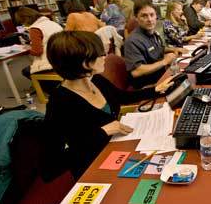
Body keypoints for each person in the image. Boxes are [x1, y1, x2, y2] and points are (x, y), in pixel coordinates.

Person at [43, 31, 174, 178]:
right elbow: (50, 166)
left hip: (116, 148)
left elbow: (121, 97)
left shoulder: (95, 79)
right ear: (84, 63)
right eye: (100, 54)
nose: (105, 57)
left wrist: (156, 90)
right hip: (95, 167)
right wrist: (103, 131)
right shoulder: (60, 103)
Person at [124, 0, 184, 89]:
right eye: (144, 16)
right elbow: (136, 71)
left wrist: (174, 49)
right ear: (136, 18)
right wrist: (164, 62)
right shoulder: (133, 41)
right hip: (150, 86)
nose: (149, 19)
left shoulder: (153, 33)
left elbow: (158, 49)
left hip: (163, 76)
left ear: (156, 16)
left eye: (152, 15)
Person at [16, 7, 63, 80]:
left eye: (22, 22)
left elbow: (37, 52)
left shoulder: (35, 29)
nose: (23, 25)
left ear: (25, 19)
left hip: (52, 63)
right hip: (65, 58)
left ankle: (52, 89)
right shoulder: (53, 23)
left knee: (26, 71)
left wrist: (29, 48)